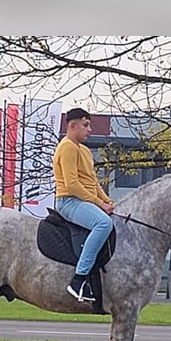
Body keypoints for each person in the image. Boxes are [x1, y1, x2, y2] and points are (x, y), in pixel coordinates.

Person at [53, 108, 115, 302]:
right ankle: (78, 280)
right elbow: (72, 185)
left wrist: (107, 201)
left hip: (83, 201)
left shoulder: (85, 150)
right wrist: (99, 204)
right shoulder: (67, 147)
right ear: (72, 126)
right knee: (103, 224)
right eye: (86, 125)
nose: (90, 129)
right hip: (69, 201)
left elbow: (93, 182)